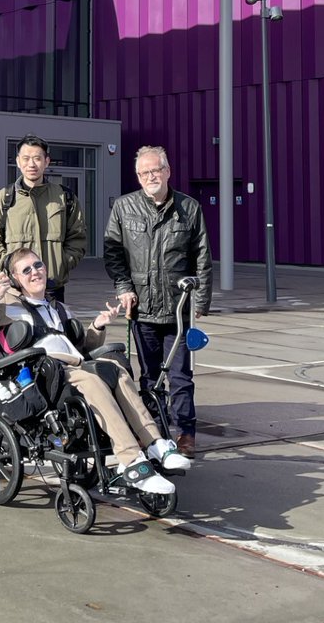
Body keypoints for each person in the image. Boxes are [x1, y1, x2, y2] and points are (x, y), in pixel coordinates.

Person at [0, 247, 190, 495]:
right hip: (42, 378)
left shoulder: (58, 308)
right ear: (15, 279)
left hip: (72, 368)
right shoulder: (7, 308)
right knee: (91, 378)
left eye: (38, 265)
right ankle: (131, 460)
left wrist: (97, 327)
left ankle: (155, 444)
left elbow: (81, 350)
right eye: (26, 270)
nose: (35, 272)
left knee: (116, 369)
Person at [104, 145, 213, 460]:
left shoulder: (189, 208)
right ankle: (153, 434)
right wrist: (124, 287)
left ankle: (185, 433)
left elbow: (202, 257)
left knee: (180, 376)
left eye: (155, 170)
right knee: (150, 376)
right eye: (144, 172)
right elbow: (114, 253)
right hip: (142, 307)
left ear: (167, 171)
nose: (150, 176)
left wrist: (201, 301)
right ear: (137, 176)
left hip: (179, 309)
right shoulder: (125, 207)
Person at [0, 134, 87, 301]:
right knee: (17, 328)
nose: (31, 164)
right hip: (14, 290)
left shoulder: (64, 197)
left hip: (52, 288)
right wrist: (6, 264)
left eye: (37, 158)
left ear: (47, 161)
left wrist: (62, 264)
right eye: (26, 158)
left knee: (54, 327)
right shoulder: (4, 198)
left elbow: (78, 237)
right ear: (18, 162)